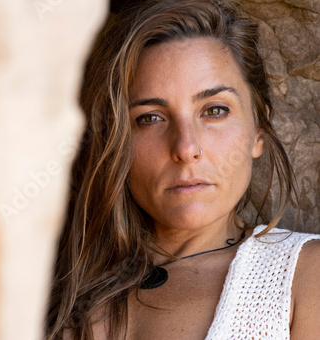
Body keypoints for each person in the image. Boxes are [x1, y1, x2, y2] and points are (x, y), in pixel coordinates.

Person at [45, 0, 320, 339]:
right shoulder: (56, 296)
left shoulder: (301, 277)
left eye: (214, 111)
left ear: (258, 130)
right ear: (114, 141)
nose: (186, 148)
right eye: (149, 118)